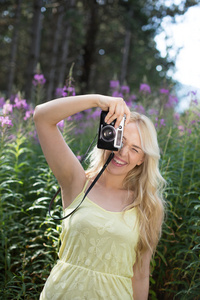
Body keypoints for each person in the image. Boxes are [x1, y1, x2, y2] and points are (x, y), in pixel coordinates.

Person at [33, 94, 166, 300]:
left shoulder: (148, 206)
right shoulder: (77, 182)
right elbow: (42, 116)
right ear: (107, 136)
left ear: (142, 159)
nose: (122, 152)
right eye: (119, 140)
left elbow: (140, 275)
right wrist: (97, 100)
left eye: (135, 149)